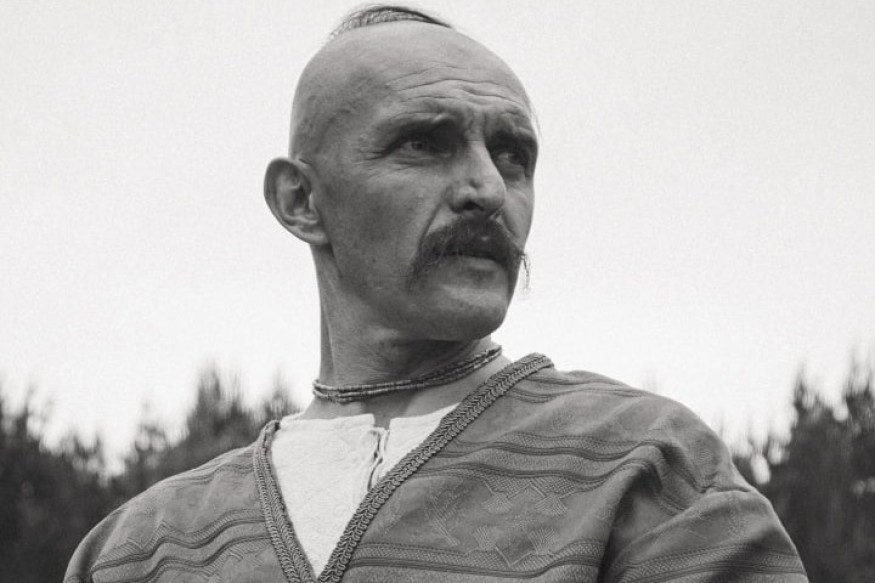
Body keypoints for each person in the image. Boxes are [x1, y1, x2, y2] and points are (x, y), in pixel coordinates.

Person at [65, 6, 808, 582]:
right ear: (301, 200)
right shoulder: (139, 548)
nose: (488, 189)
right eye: (424, 142)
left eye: (512, 155)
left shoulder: (648, 467)